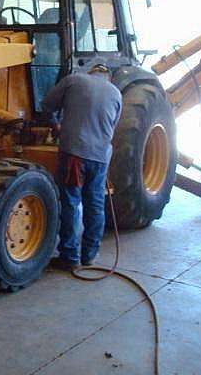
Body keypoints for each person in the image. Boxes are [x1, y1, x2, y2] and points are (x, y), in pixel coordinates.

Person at [42, 64, 122, 270]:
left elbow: (47, 104)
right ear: (108, 78)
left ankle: (69, 257)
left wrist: (55, 125)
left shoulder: (74, 79)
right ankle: (89, 256)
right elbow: (112, 127)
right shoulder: (116, 94)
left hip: (75, 156)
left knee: (70, 202)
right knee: (95, 205)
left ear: (91, 73)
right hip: (100, 158)